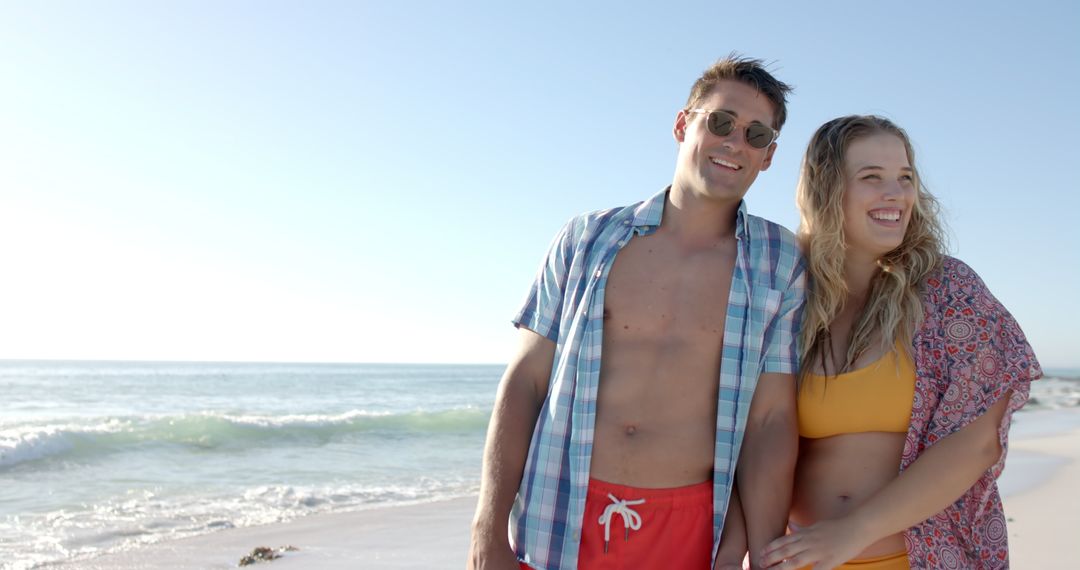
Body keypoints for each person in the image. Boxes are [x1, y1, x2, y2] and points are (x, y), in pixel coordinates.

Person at [467, 55, 806, 570]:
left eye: (756, 135)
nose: (736, 142)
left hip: (690, 528)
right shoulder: (586, 238)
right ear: (682, 125)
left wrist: (762, 554)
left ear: (769, 156)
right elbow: (525, 382)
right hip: (559, 515)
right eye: (721, 122)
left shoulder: (780, 262)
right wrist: (486, 530)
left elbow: (771, 421)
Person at [761, 116, 1042, 570]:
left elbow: (978, 444)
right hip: (797, 560)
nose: (896, 194)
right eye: (872, 177)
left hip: (921, 559)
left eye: (905, 178)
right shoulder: (790, 296)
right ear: (826, 188)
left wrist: (853, 532)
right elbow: (755, 436)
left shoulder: (948, 290)